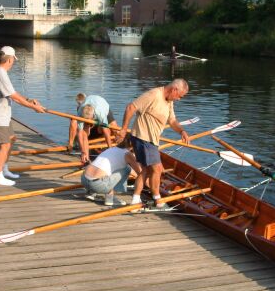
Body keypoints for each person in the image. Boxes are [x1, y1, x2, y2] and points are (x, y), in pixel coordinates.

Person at [116, 79, 189, 209]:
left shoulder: (169, 101)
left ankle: (136, 199)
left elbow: (172, 121)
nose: (179, 99)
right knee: (157, 168)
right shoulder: (154, 95)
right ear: (174, 90)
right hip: (143, 137)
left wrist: (181, 131)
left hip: (152, 140)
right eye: (179, 96)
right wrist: (123, 129)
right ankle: (157, 199)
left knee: (146, 170)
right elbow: (131, 107)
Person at [0, 46, 46, 186]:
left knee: (11, 139)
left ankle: (4, 169)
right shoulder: (0, 73)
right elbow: (14, 97)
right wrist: (34, 107)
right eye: (13, 60)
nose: (13, 62)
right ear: (10, 59)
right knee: (5, 145)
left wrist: (29, 100)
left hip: (2, 116)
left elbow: (13, 93)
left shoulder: (1, 72)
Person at [81, 137, 142, 206]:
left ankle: (91, 193)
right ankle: (110, 198)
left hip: (84, 180)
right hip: (97, 185)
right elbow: (140, 173)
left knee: (107, 169)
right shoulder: (127, 154)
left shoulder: (111, 149)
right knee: (127, 169)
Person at [68, 94, 118, 164]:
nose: (88, 122)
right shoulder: (80, 112)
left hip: (102, 104)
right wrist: (82, 151)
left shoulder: (101, 113)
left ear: (93, 116)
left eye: (89, 120)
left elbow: (106, 132)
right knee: (84, 133)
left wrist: (110, 150)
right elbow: (80, 133)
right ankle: (86, 158)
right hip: (89, 108)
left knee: (113, 128)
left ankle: (116, 144)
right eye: (86, 120)